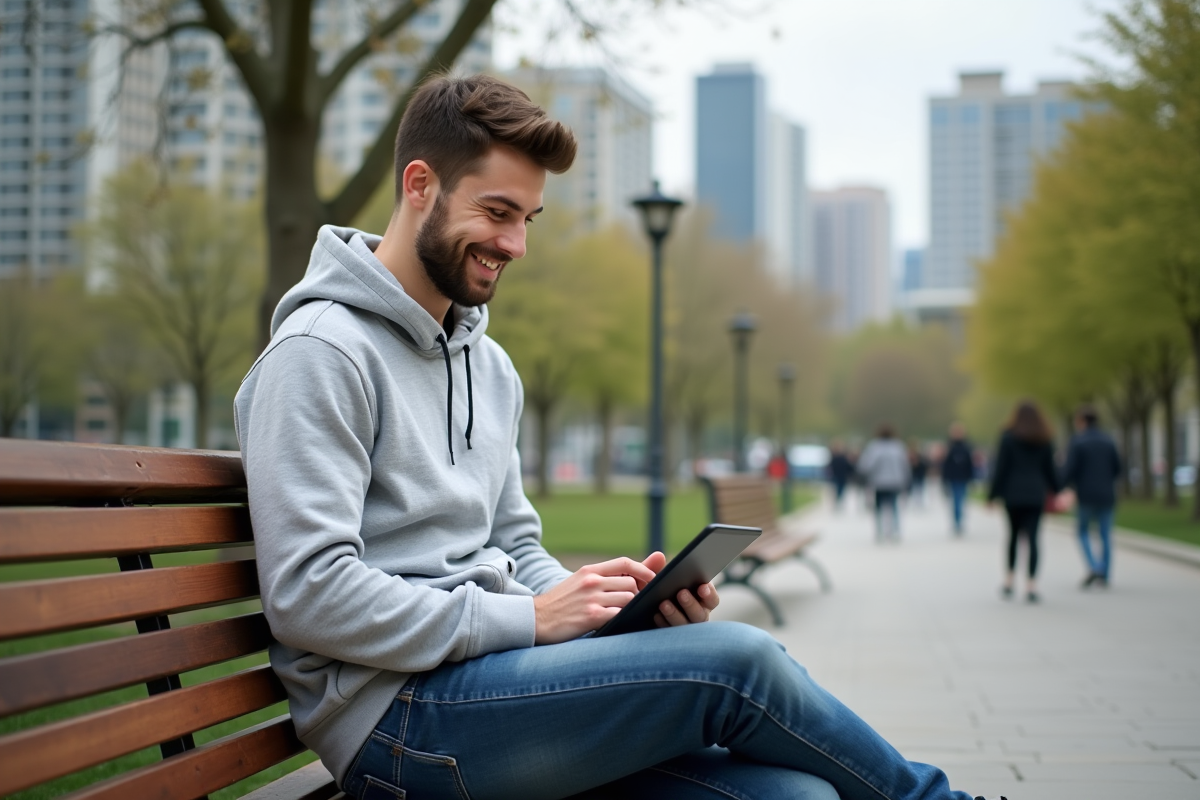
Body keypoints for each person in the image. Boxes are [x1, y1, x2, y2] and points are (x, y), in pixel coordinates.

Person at [235, 74, 997, 800]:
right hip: (398, 723)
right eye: (497, 212)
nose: (516, 246)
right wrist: (532, 619)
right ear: (419, 185)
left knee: (799, 792)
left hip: (495, 686)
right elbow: (309, 594)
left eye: (527, 220)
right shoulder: (321, 354)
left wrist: (603, 611)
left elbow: (515, 544)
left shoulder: (489, 366)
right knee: (739, 662)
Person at [987, 401, 1063, 603]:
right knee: (1034, 538)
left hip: (1012, 494)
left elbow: (1000, 469)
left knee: (1012, 536)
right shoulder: (1044, 438)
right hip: (1035, 494)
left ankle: (1009, 581)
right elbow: (1050, 470)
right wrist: (1057, 491)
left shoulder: (1008, 437)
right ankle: (1031, 585)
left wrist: (991, 496)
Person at [1062, 404, 1122, 588]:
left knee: (1083, 531)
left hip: (1086, 494)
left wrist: (1061, 486)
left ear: (1081, 421)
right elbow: (1118, 468)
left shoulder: (1078, 442)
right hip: (1107, 494)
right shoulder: (1109, 441)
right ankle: (1104, 572)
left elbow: (1069, 470)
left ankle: (1095, 566)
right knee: (1105, 534)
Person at [857, 424, 912, 541]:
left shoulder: (874, 447)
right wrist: (906, 479)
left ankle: (879, 531)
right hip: (895, 481)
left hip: (879, 482)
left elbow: (866, 465)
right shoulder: (898, 446)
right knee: (893, 506)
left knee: (878, 507)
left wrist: (865, 474)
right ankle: (895, 530)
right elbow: (905, 465)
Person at [941, 422, 976, 536]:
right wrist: (944, 479)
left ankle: (959, 521)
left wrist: (971, 478)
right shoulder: (950, 447)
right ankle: (957, 522)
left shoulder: (966, 447)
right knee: (956, 500)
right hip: (953, 477)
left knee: (960, 500)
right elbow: (946, 465)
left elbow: (970, 464)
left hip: (963, 477)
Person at [826, 439, 855, 509]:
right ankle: (838, 501)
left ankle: (838, 501)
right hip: (839, 476)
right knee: (839, 489)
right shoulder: (839, 457)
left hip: (840, 476)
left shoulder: (840, 457)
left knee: (839, 489)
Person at [908, 440, 930, 507]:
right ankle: (914, 501)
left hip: (920, 474)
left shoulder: (921, 455)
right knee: (913, 489)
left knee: (920, 488)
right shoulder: (909, 455)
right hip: (913, 475)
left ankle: (919, 501)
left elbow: (926, 464)